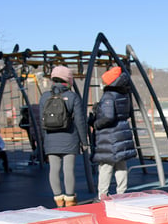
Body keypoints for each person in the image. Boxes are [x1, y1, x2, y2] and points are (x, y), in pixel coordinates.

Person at [39, 65, 87, 207]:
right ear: (68, 80)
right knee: (68, 169)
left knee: (54, 169)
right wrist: (84, 141)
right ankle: (70, 198)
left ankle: (58, 199)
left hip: (50, 139)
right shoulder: (72, 97)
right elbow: (79, 121)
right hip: (69, 138)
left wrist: (44, 140)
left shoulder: (45, 97)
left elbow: (41, 121)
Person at [92, 66, 137, 199]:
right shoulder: (124, 94)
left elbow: (108, 117)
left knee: (106, 166)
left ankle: (102, 194)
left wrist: (96, 123)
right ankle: (122, 193)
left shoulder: (108, 96)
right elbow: (128, 113)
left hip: (109, 135)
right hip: (122, 132)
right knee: (121, 165)